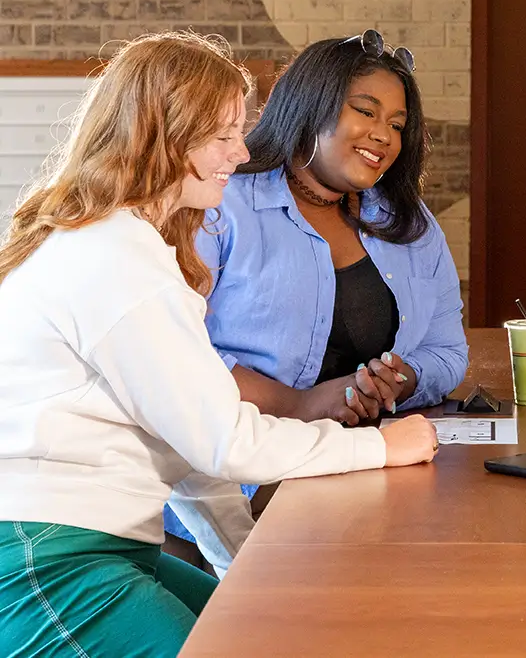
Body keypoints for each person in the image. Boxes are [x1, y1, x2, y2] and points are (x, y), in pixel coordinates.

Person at [0, 32, 438, 658]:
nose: (242, 151)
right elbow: (226, 441)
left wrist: (252, 572)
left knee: (271, 635)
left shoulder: (130, 247)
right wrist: (378, 446)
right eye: (222, 135)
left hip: (104, 544)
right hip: (47, 558)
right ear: (163, 135)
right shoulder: (113, 258)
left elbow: (196, 455)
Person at [162, 29, 468, 560]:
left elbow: (449, 350)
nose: (384, 136)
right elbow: (175, 354)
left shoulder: (408, 224)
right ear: (312, 104)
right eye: (365, 112)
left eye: (397, 125)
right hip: (233, 490)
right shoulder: (219, 204)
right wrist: (301, 404)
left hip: (368, 467)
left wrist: (397, 379)